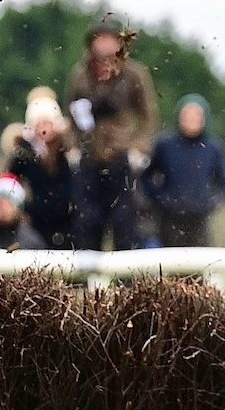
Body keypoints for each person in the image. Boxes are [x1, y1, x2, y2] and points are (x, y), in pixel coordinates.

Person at [66, 24, 157, 251]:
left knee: (125, 223)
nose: (105, 44)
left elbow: (148, 116)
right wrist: (72, 147)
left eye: (111, 39)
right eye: (101, 38)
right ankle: (86, 282)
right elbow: (71, 115)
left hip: (122, 157)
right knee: (87, 221)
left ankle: (125, 284)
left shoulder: (134, 73)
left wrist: (139, 148)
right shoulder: (80, 75)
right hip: (89, 156)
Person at [144, 94, 225, 247]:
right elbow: (146, 177)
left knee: (198, 266)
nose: (191, 119)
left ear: (204, 118)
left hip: (199, 219)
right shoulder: (165, 145)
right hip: (169, 220)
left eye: (196, 115)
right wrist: (162, 199)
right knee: (169, 266)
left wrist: (210, 202)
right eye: (187, 114)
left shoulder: (213, 149)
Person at [7, 94, 75, 248]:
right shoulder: (22, 156)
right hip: (34, 223)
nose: (44, 128)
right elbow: (11, 183)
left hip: (68, 223)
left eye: (48, 122)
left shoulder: (68, 152)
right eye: (39, 123)